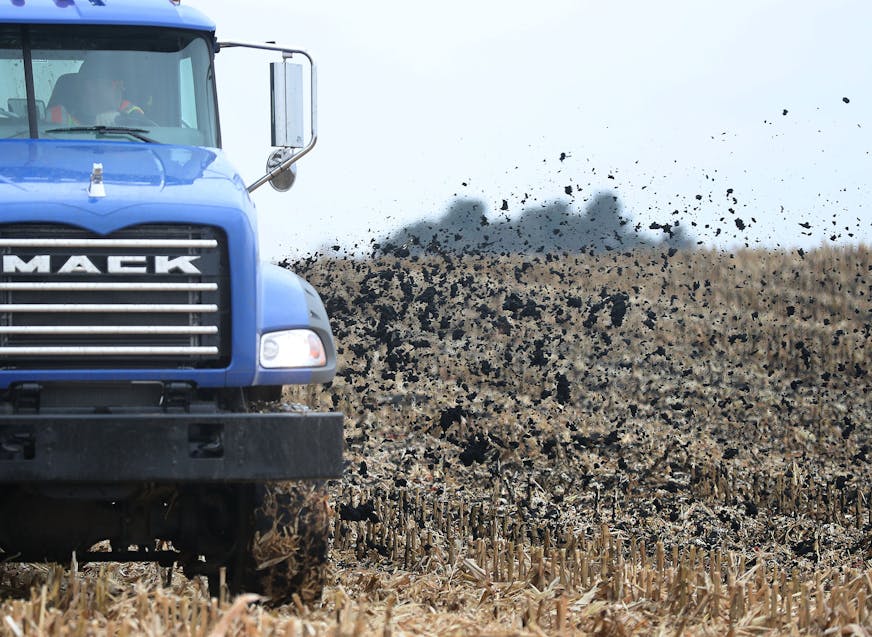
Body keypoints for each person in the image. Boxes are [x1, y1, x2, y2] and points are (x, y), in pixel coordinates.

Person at [48, 54, 146, 126]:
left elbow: (147, 135)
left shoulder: (130, 112)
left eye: (121, 84)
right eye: (115, 84)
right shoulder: (57, 115)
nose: (121, 89)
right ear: (91, 86)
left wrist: (119, 121)